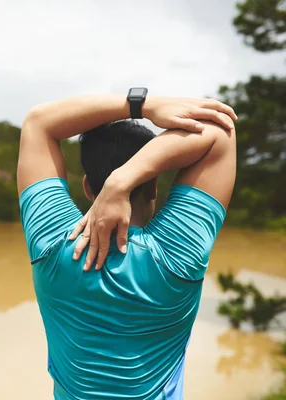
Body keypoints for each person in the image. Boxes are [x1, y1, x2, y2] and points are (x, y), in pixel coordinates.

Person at [17, 90, 237, 400]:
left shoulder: (52, 245)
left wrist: (143, 105)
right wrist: (124, 180)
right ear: (153, 185)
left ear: (87, 188)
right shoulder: (178, 256)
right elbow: (219, 133)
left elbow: (38, 123)